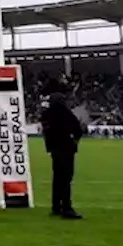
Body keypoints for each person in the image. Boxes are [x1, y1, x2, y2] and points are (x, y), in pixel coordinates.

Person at [40, 80, 83, 220]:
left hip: (54, 150)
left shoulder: (46, 115)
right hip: (66, 148)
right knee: (65, 178)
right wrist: (74, 140)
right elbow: (77, 129)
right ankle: (67, 208)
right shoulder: (65, 113)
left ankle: (56, 206)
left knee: (57, 178)